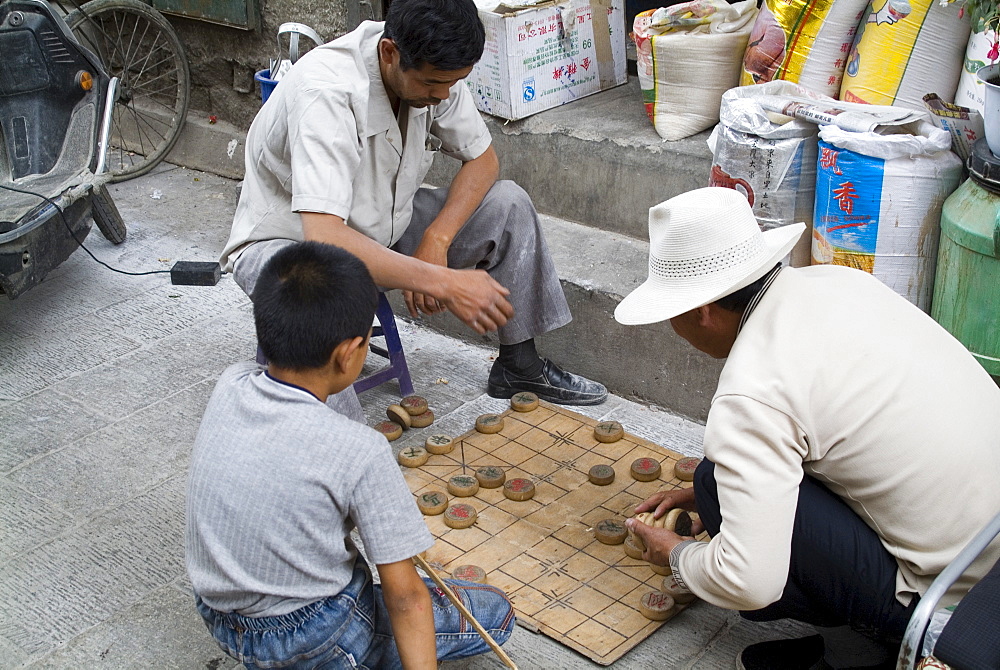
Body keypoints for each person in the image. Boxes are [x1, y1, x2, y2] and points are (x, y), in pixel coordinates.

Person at [614, 188, 1000, 670]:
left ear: (702, 312)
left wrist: (678, 557)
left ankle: (860, 656)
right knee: (711, 484)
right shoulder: (837, 281)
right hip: (991, 541)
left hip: (961, 603)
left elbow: (749, 581)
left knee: (715, 487)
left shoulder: (751, 390)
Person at [220, 0, 606, 419]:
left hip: (383, 225)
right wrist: (443, 281)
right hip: (291, 246)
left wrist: (436, 239)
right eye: (433, 84)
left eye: (453, 83)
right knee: (318, 295)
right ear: (390, 54)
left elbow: (484, 160)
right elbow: (325, 237)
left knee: (508, 203)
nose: (441, 96)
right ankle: (334, 440)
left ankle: (520, 367)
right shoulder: (326, 91)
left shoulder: (435, 69)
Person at [186, 241, 515, 669]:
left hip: (219, 615)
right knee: (495, 613)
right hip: (312, 633)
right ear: (349, 355)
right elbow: (406, 597)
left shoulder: (230, 383)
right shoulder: (360, 450)